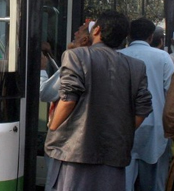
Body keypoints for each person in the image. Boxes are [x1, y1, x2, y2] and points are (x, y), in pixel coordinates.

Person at [45, 10, 152, 191]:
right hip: (113, 156)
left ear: (97, 30)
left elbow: (68, 99)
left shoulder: (76, 56)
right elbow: (143, 109)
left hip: (73, 152)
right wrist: (120, 129)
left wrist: (53, 127)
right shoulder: (136, 66)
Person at [119, 18, 174, 191]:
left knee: (124, 180)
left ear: (128, 35)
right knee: (154, 181)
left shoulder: (118, 55)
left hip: (124, 126)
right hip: (155, 127)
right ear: (151, 37)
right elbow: (169, 92)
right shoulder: (163, 57)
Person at [40, 20, 94, 103]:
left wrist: (42, 69)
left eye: (79, 31)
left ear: (84, 40)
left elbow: (44, 94)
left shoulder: (77, 63)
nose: (75, 34)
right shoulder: (94, 61)